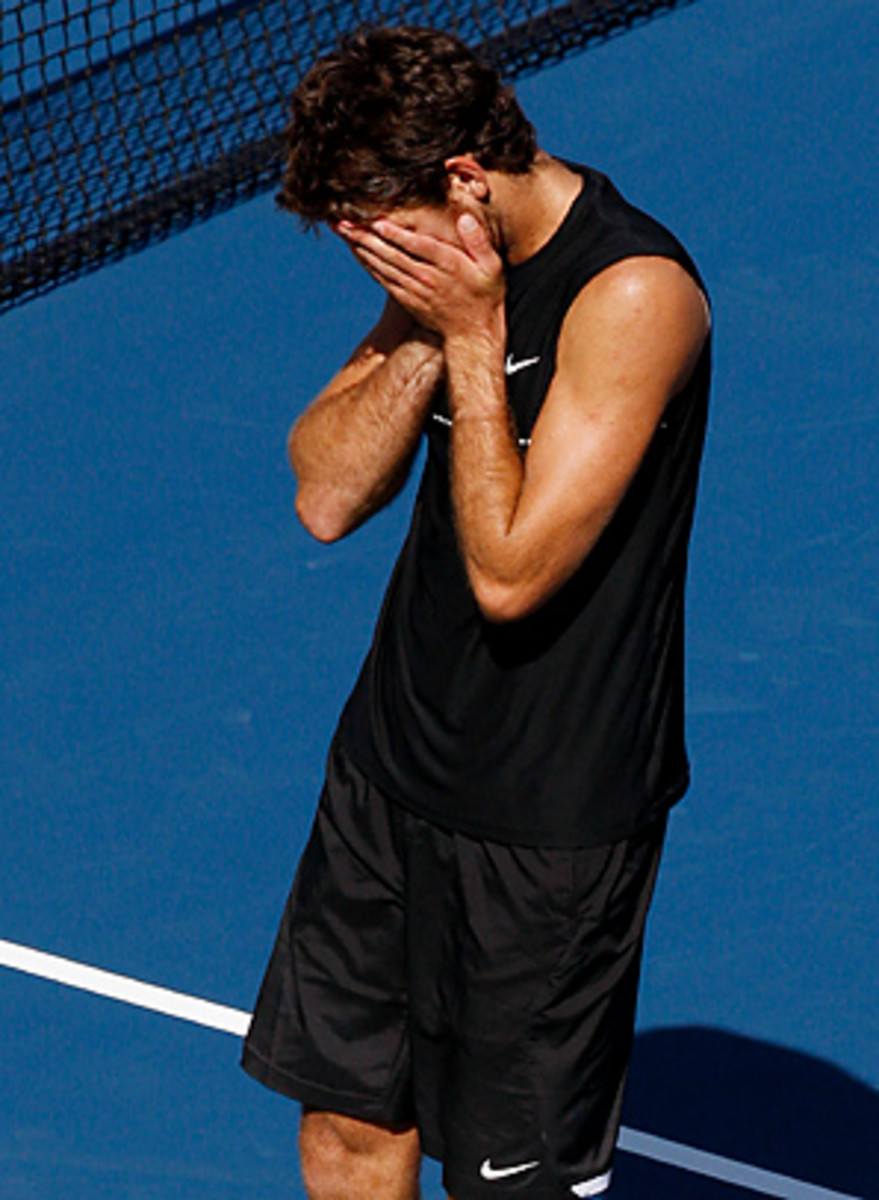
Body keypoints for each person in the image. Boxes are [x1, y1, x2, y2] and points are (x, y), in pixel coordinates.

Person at [242, 24, 711, 1200]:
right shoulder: (451, 278)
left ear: (463, 180)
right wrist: (427, 326)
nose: (373, 262)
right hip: (389, 773)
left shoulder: (635, 296)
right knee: (347, 1132)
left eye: (379, 233)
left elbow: (508, 575)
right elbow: (325, 494)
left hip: (548, 825)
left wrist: (468, 332)